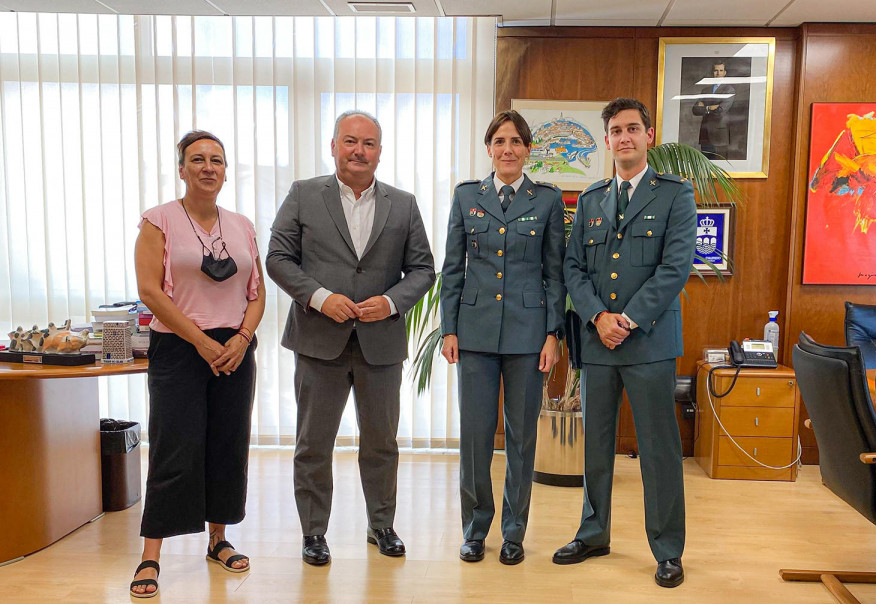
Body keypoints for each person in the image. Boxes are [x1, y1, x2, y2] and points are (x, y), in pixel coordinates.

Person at [266, 110, 435, 566]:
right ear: (334, 145)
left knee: (381, 442)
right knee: (314, 443)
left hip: (380, 342)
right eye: (350, 141)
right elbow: (278, 258)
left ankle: (381, 524)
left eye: (369, 143)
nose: (359, 151)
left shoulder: (403, 203)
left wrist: (393, 301)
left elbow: (422, 268)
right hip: (319, 340)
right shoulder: (303, 194)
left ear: (380, 151)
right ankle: (314, 533)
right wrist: (319, 297)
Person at [556, 98, 696, 588]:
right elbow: (572, 267)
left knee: (658, 449)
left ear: (649, 135)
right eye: (615, 131)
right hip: (598, 342)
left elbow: (675, 268)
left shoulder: (676, 194)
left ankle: (667, 549)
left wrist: (629, 319)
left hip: (650, 343)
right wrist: (597, 316)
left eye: (632, 129)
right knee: (595, 446)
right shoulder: (592, 197)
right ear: (608, 140)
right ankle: (593, 533)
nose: (624, 138)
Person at [131, 131, 265, 598]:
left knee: (227, 445)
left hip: (235, 350)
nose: (209, 167)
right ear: (182, 168)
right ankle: (151, 556)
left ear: (226, 170)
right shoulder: (158, 220)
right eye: (198, 160)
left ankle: (219, 539)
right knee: (174, 447)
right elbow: (150, 292)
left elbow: (257, 292)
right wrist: (202, 342)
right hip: (180, 348)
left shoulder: (243, 224)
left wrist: (242, 339)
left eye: (217, 160)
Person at [440, 110, 566, 565]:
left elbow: (555, 273)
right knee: (475, 436)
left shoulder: (547, 200)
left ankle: (514, 532)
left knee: (520, 437)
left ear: (528, 150)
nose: (507, 149)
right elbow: (453, 269)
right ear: (488, 148)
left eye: (516, 141)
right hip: (473, 335)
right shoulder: (466, 197)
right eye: (499, 141)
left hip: (528, 336)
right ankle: (475, 529)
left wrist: (553, 335)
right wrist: (448, 328)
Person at [691, 61, 735, 159]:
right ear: (712, 72)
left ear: (725, 73)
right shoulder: (705, 90)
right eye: (716, 70)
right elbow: (695, 110)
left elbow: (720, 112)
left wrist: (705, 107)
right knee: (705, 167)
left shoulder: (729, 90)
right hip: (705, 134)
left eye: (721, 70)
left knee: (720, 167)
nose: (718, 73)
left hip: (719, 135)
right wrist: (709, 107)